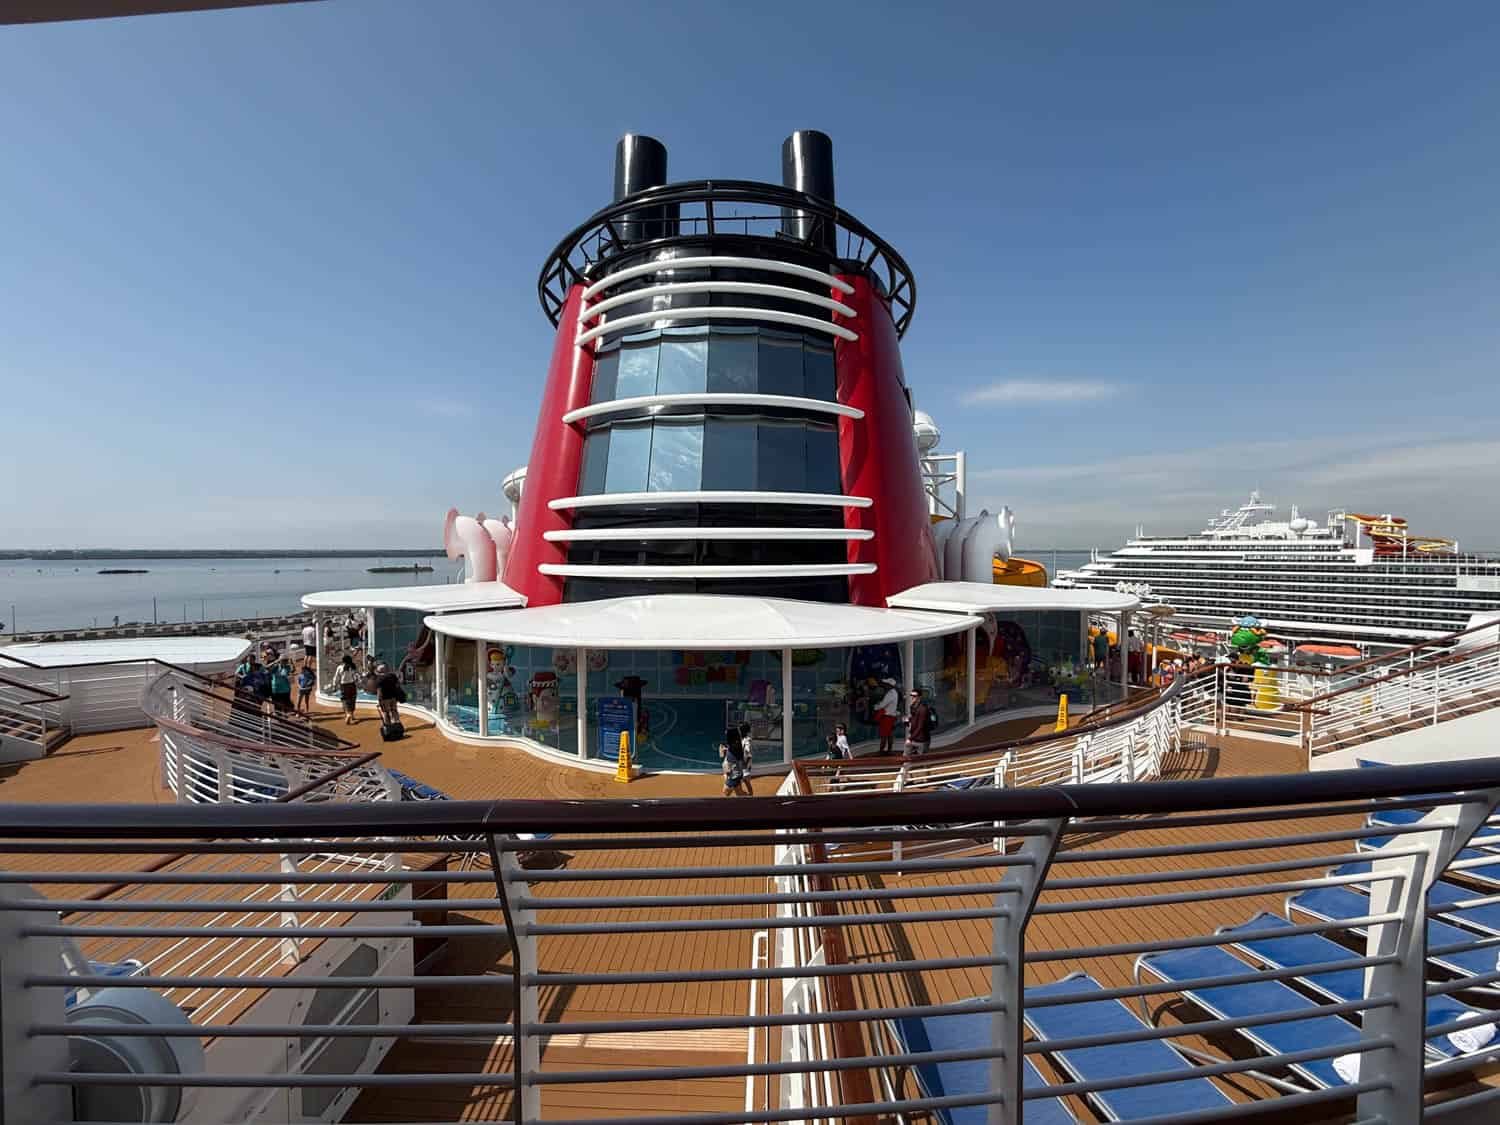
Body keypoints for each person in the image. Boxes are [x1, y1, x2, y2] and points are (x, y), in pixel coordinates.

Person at [329, 654, 361, 725]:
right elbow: (357, 676)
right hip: (352, 685)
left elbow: (336, 677)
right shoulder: (353, 667)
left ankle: (348, 714)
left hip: (344, 686)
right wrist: (359, 683)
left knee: (345, 700)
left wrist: (334, 685)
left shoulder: (340, 667)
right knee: (352, 699)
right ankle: (352, 715)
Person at [719, 727, 747, 797]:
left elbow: (722, 755)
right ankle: (749, 799)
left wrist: (722, 749)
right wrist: (725, 749)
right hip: (734, 773)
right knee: (739, 793)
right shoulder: (735, 745)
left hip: (735, 775)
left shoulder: (735, 746)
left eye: (727, 734)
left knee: (725, 792)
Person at [875, 678, 900, 753]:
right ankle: (889, 750)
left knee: (884, 735)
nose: (884, 685)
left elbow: (882, 705)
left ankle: (881, 751)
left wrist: (875, 706)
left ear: (889, 685)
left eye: (886, 684)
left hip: (887, 717)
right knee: (889, 734)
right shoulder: (894, 692)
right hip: (891, 716)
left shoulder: (890, 694)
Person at [905, 688, 934, 756]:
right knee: (906, 759)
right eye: (911, 695)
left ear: (919, 697)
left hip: (922, 740)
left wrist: (910, 739)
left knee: (922, 762)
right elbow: (913, 721)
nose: (912, 697)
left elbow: (920, 726)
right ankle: (906, 766)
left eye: (914, 696)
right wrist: (907, 721)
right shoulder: (912, 707)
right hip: (914, 738)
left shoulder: (923, 709)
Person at [375, 662, 404, 726]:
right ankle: (397, 724)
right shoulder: (393, 676)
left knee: (386, 712)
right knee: (394, 711)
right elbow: (398, 685)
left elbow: (379, 691)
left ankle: (389, 726)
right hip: (393, 697)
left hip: (385, 699)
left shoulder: (379, 679)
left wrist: (379, 700)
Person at [737, 722, 755, 796]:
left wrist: (745, 765)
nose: (738, 730)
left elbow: (748, 753)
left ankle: (749, 797)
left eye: (739, 729)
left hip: (744, 767)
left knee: (745, 783)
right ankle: (748, 797)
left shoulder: (747, 740)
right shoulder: (741, 739)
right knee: (742, 784)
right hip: (741, 766)